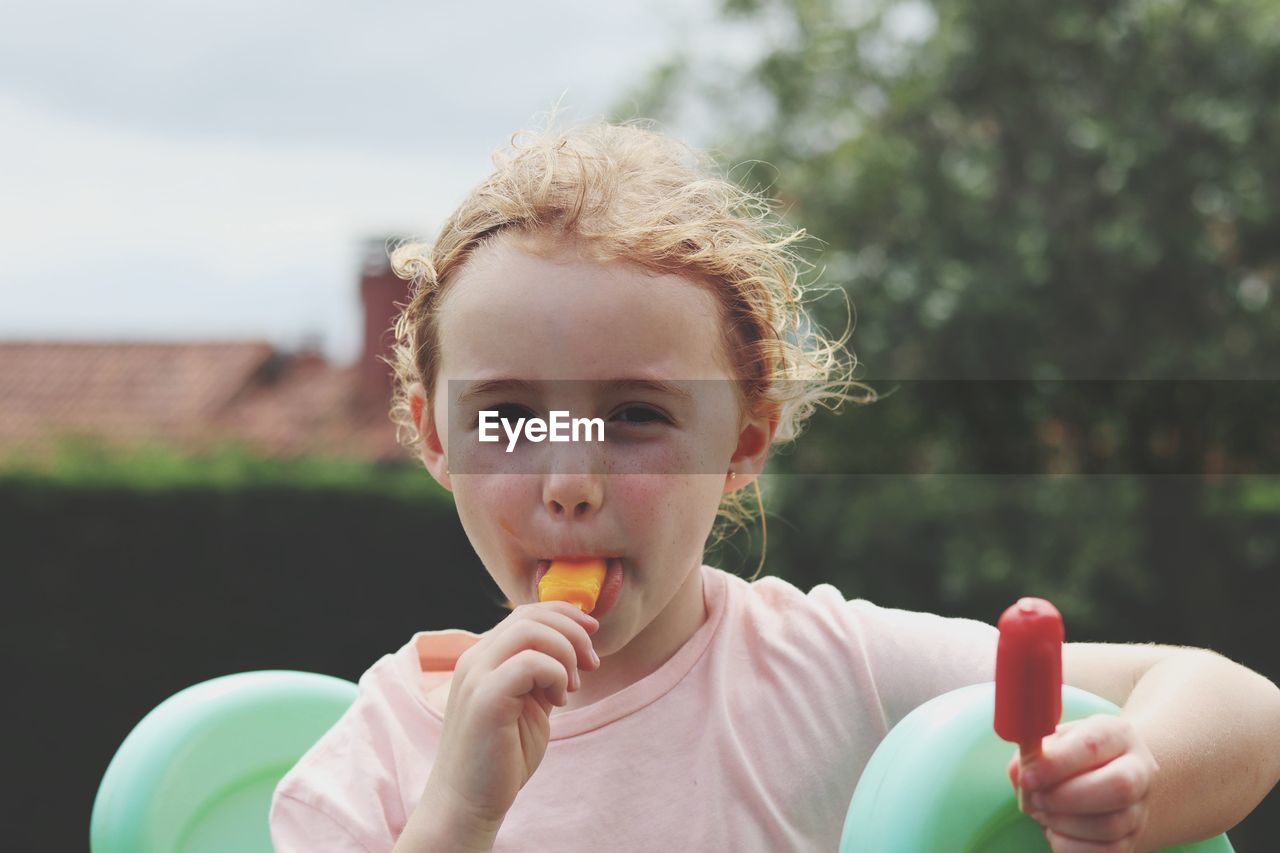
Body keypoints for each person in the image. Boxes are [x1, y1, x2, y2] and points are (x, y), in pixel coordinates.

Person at [270, 119, 1280, 852]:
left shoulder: (827, 668)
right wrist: (456, 817)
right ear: (434, 436)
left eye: (636, 416)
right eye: (511, 418)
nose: (569, 480)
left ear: (744, 439)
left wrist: (1133, 775)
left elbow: (1237, 702)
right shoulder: (385, 753)